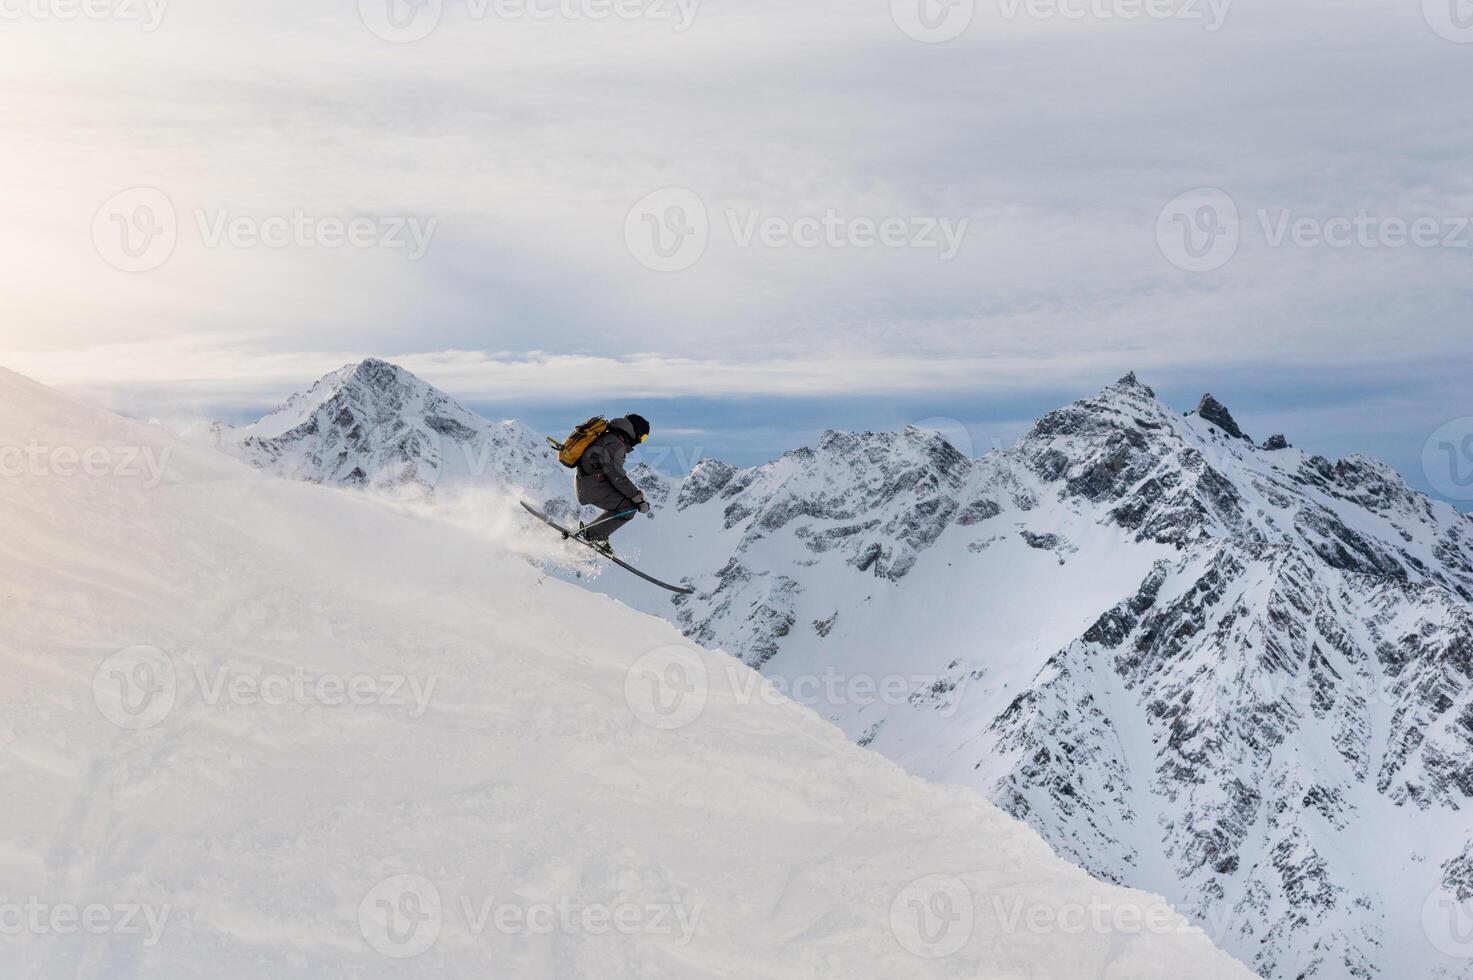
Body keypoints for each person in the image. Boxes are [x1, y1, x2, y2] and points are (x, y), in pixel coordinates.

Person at [575, 414, 651, 555]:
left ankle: (592, 533)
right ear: (636, 431)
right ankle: (594, 535)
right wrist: (637, 499)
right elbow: (617, 476)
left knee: (625, 505)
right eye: (643, 437)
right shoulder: (615, 443)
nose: (640, 441)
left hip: (590, 483)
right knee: (629, 507)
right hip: (593, 486)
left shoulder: (610, 438)